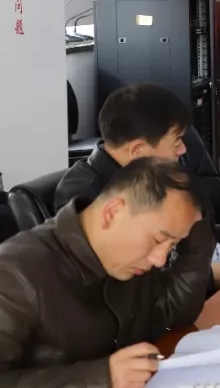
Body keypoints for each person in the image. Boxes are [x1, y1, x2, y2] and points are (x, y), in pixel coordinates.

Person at [0, 158, 205, 387]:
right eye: (158, 239)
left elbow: (173, 313)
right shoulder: (14, 272)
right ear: (112, 212)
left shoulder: (129, 258)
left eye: (172, 245)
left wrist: (197, 239)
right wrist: (101, 377)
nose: (159, 260)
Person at [54, 83, 220, 290]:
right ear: (137, 149)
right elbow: (117, 286)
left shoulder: (145, 171)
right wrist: (203, 278)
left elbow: (176, 233)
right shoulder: (84, 197)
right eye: (176, 142)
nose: (183, 150)